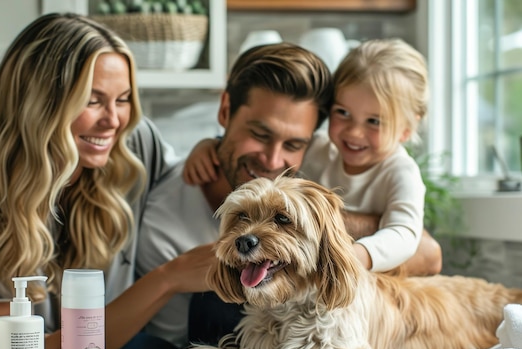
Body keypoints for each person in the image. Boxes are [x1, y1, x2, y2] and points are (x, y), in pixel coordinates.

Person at [0, 13, 214, 349]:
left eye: (124, 99)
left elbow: (192, 181)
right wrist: (168, 278)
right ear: (38, 104)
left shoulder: (132, 145)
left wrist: (212, 145)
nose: (114, 120)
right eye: (93, 100)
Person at [136, 42, 442, 349]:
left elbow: (426, 252)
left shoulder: (392, 171)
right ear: (225, 111)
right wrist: (208, 145)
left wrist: (335, 244)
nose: (272, 163)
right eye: (260, 134)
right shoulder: (167, 223)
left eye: (294, 144)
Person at [186, 38, 436, 273]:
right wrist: (209, 146)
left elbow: (403, 234)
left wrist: (352, 256)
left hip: (358, 279)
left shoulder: (401, 172)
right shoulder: (319, 149)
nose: (354, 132)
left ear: (406, 128)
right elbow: (258, 153)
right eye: (343, 113)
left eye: (374, 121)